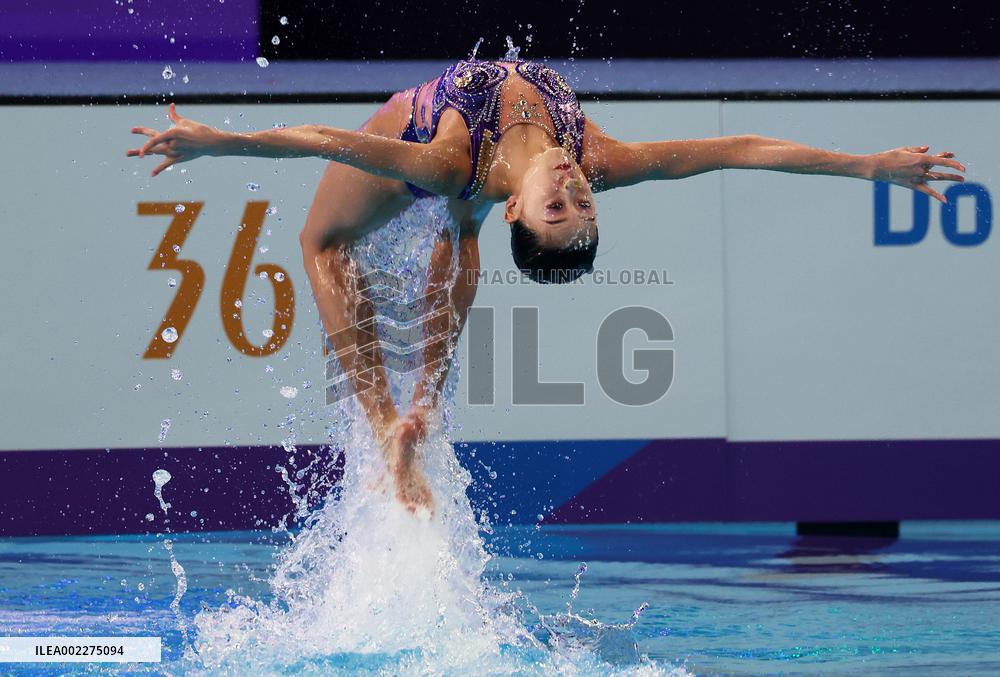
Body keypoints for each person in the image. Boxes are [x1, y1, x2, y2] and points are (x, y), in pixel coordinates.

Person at [127, 57, 966, 515]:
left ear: (520, 213)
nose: (573, 183)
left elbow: (324, 141)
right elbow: (738, 148)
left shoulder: (453, 159)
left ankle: (391, 421)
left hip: (413, 121)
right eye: (582, 202)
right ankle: (426, 392)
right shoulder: (598, 154)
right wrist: (866, 166)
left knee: (323, 240)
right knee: (456, 233)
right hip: (466, 202)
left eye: (558, 204)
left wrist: (219, 141)